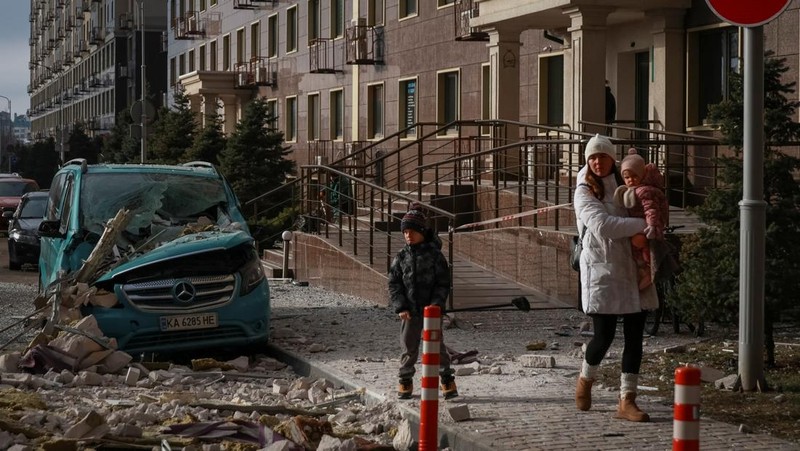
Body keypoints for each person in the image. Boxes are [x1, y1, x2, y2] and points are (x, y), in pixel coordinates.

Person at [573, 134, 658, 422]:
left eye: (603, 156)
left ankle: (627, 400)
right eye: (592, 157)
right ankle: (585, 379)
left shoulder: (627, 182)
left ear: (612, 158)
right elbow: (603, 225)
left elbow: (649, 200)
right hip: (604, 270)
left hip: (635, 269)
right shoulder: (584, 190)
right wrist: (643, 225)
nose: (598, 162)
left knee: (635, 338)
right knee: (603, 336)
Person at [388, 206, 458, 400]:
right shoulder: (401, 256)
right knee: (408, 347)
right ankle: (405, 380)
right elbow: (394, 284)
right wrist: (401, 306)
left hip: (431, 311)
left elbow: (443, 283)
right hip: (409, 312)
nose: (408, 235)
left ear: (421, 232)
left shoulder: (435, 256)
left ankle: (446, 379)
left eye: (412, 231)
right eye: (405, 232)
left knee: (437, 347)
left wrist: (437, 304)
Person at [613, 149, 669, 290]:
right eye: (627, 177)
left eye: (634, 176)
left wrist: (652, 225)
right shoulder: (632, 190)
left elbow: (651, 209)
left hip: (650, 226)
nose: (630, 180)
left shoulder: (644, 191)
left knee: (638, 242)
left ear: (642, 175)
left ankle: (649, 268)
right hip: (639, 223)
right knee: (635, 246)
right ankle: (643, 269)